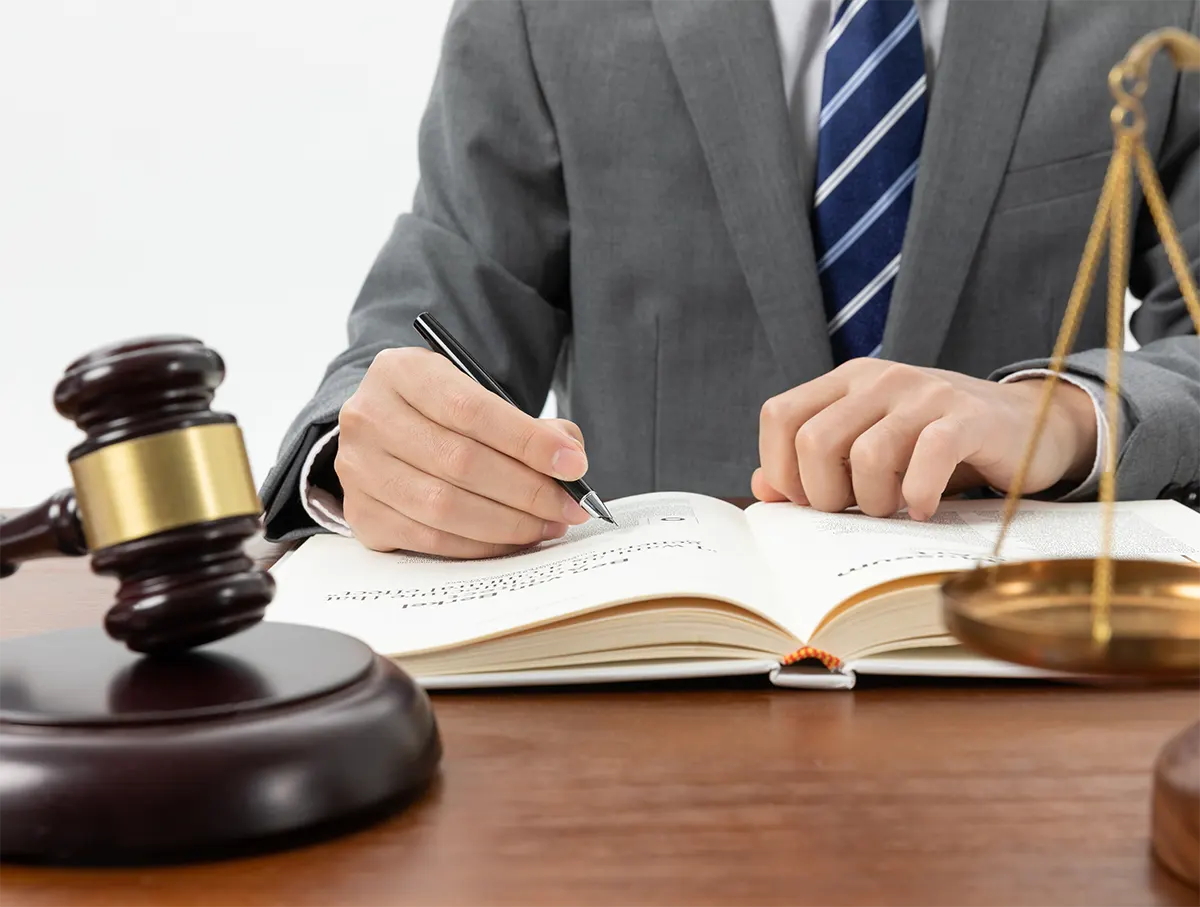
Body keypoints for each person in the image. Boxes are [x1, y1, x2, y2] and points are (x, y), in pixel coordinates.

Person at [260, 0, 1200, 559]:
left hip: (1018, 658)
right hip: (649, 666)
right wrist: (359, 457)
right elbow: (427, 319)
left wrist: (1063, 415)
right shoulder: (539, 16)